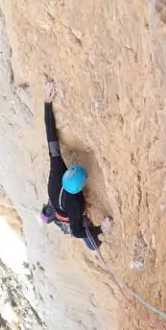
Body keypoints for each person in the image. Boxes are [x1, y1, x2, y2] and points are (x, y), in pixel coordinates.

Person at [41, 82, 108, 251]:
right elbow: (77, 232)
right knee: (93, 246)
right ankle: (50, 218)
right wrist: (100, 228)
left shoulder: (56, 173)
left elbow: (52, 141)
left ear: (67, 173)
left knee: (54, 214)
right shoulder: (76, 206)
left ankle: (47, 215)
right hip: (64, 213)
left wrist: (47, 103)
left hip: (56, 203)